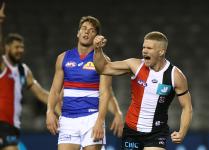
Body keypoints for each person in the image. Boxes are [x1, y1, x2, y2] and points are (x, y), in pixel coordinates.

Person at [93, 31, 193, 150]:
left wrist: (182, 132)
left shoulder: (175, 75)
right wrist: (97, 50)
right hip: (131, 131)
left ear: (161, 52)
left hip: (156, 133)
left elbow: (187, 107)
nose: (144, 51)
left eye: (149, 48)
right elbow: (103, 68)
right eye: (144, 47)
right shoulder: (135, 65)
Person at [46, 16, 123, 150]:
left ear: (97, 37)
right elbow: (55, 90)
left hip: (92, 118)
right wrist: (49, 112)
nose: (87, 32)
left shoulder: (103, 61)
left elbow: (105, 93)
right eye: (84, 29)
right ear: (78, 33)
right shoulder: (63, 58)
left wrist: (100, 121)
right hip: (68, 119)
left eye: (92, 30)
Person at [0, 3, 50, 150]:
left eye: (22, 47)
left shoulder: (23, 70)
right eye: (16, 47)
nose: (20, 50)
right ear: (7, 47)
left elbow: (41, 93)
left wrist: (62, 109)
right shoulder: (2, 64)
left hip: (12, 125)